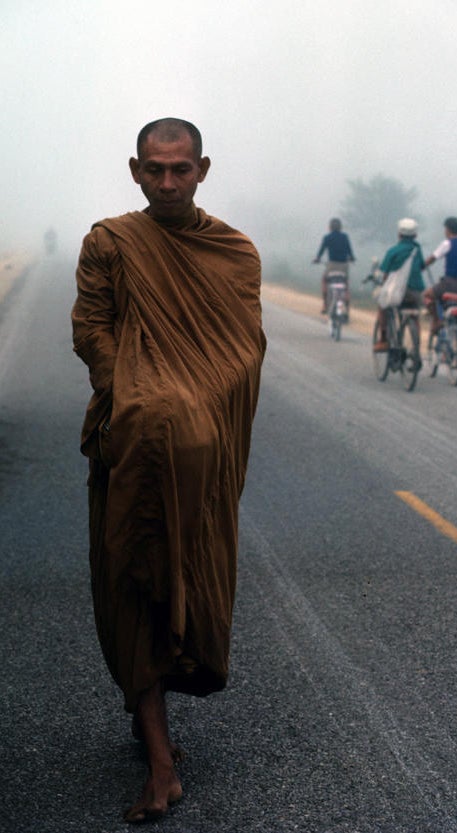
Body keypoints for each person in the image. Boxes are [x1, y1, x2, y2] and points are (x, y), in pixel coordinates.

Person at [71, 118, 266, 824]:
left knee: (180, 577)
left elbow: (240, 351)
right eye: (154, 169)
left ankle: (147, 718)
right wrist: (139, 395)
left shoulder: (233, 252)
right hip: (131, 439)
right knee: (135, 577)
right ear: (134, 170)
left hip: (198, 453)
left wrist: (183, 404)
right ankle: (160, 760)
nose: (167, 182)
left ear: (204, 169)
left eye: (180, 169)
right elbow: (92, 327)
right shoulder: (110, 242)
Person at [372, 218, 425, 352]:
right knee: (414, 315)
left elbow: (384, 274)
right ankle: (416, 348)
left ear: (399, 234)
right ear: (415, 235)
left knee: (382, 305)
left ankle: (383, 339)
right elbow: (422, 266)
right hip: (416, 293)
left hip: (397, 293)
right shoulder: (417, 250)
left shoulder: (393, 251)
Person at [423, 216, 457, 333]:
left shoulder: (447, 243)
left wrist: (420, 266)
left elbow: (432, 258)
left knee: (427, 295)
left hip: (449, 284)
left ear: (448, 230)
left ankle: (436, 321)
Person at [312, 217, 355, 314]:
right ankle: (346, 309)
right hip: (344, 266)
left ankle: (324, 304)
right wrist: (352, 258)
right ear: (340, 227)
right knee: (346, 284)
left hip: (332, 266)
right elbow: (350, 251)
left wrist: (317, 259)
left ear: (330, 227)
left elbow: (321, 250)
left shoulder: (327, 237)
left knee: (324, 280)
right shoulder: (345, 237)